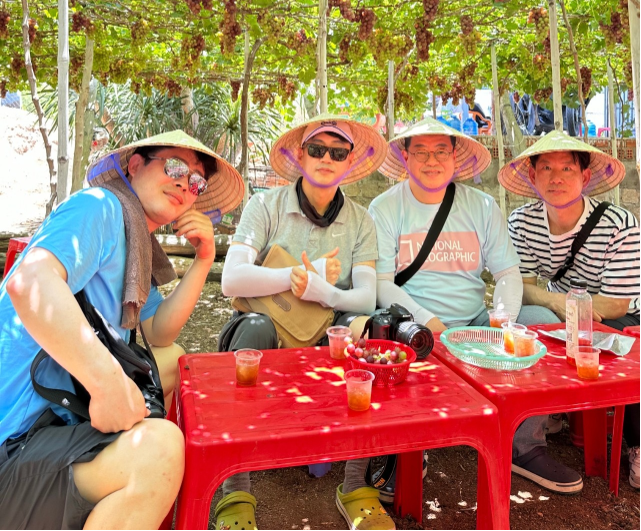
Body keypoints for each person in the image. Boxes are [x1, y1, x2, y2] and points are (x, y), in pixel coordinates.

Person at [0, 130, 244, 530]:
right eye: (176, 166)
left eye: (197, 180)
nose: (186, 183)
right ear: (135, 165)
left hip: (55, 421)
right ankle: (135, 483)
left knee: (174, 360)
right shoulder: (100, 208)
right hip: (14, 441)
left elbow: (158, 333)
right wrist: (107, 383)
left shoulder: (135, 245)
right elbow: (28, 282)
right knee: (161, 451)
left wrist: (203, 260)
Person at [368, 116, 583, 497]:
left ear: (455, 156)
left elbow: (508, 273)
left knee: (541, 323)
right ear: (405, 157)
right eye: (420, 151)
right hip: (414, 326)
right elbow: (382, 284)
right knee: (384, 339)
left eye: (440, 151)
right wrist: (430, 322)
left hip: (475, 320)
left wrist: (502, 319)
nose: (431, 161)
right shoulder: (385, 208)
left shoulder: (481, 206)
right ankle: (403, 448)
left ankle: (526, 444)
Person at [217, 115, 393, 531]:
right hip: (265, 325)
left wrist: (326, 294)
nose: (326, 159)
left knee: (370, 330)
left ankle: (355, 485)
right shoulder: (265, 206)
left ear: (349, 161)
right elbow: (231, 279)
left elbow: (365, 296)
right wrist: (295, 277)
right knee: (253, 333)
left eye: (337, 152)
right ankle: (235, 490)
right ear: (299, 155)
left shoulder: (361, 221)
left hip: (327, 326)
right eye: (316, 149)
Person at [499, 130, 640, 489]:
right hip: (565, 314)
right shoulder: (522, 223)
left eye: (567, 168)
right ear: (533, 177)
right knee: (530, 325)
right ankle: (543, 419)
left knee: (627, 349)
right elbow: (523, 288)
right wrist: (555, 302)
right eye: (546, 167)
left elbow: (616, 303)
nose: (556, 177)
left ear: (585, 177)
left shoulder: (619, 226)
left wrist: (564, 304)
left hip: (624, 316)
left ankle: (636, 444)